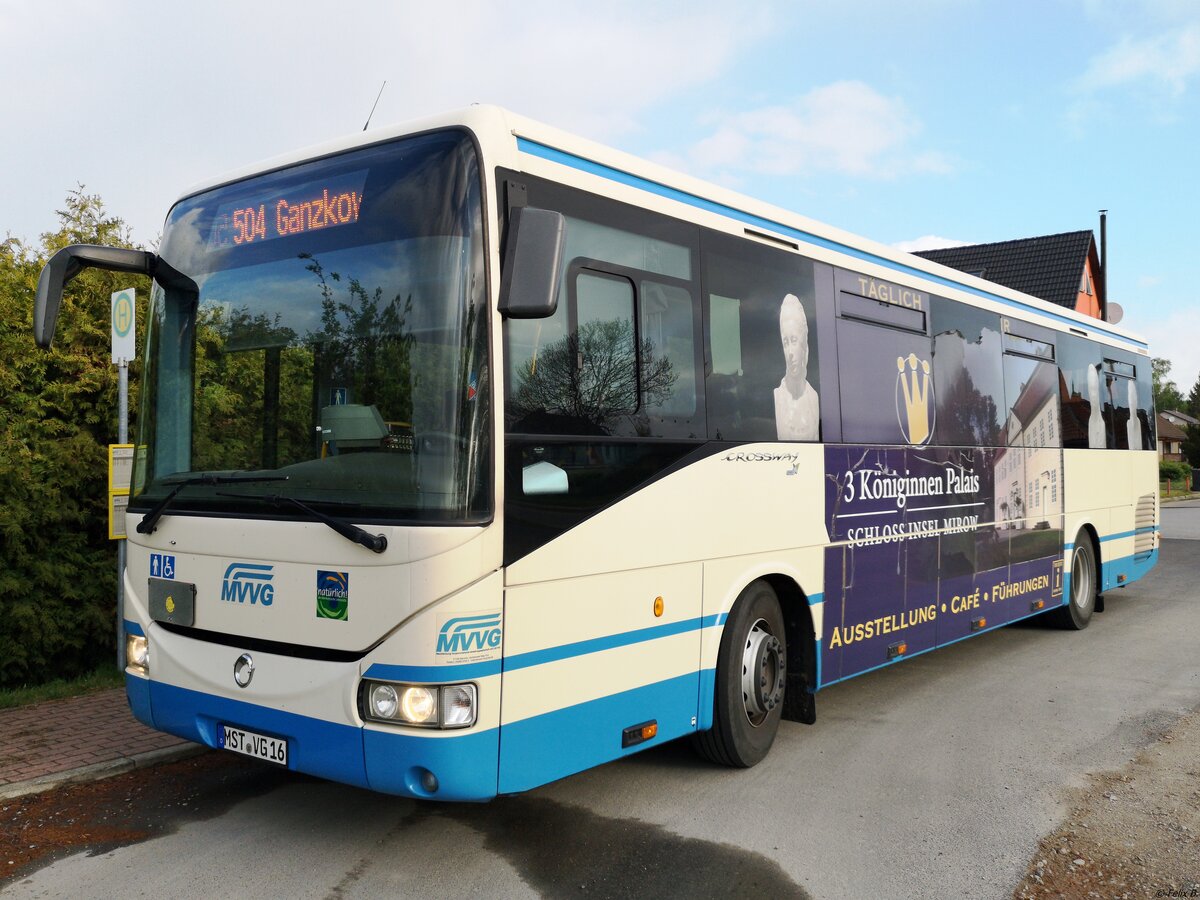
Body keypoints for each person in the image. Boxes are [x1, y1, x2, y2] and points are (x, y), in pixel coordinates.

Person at [774, 294, 819, 440]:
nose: (790, 353)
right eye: (785, 343)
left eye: (794, 340)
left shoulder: (813, 398)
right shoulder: (777, 396)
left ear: (804, 343)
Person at [1086, 364, 1105, 449]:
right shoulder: (1091, 421)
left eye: (1094, 389)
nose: (1093, 395)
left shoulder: (1101, 420)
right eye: (1091, 389)